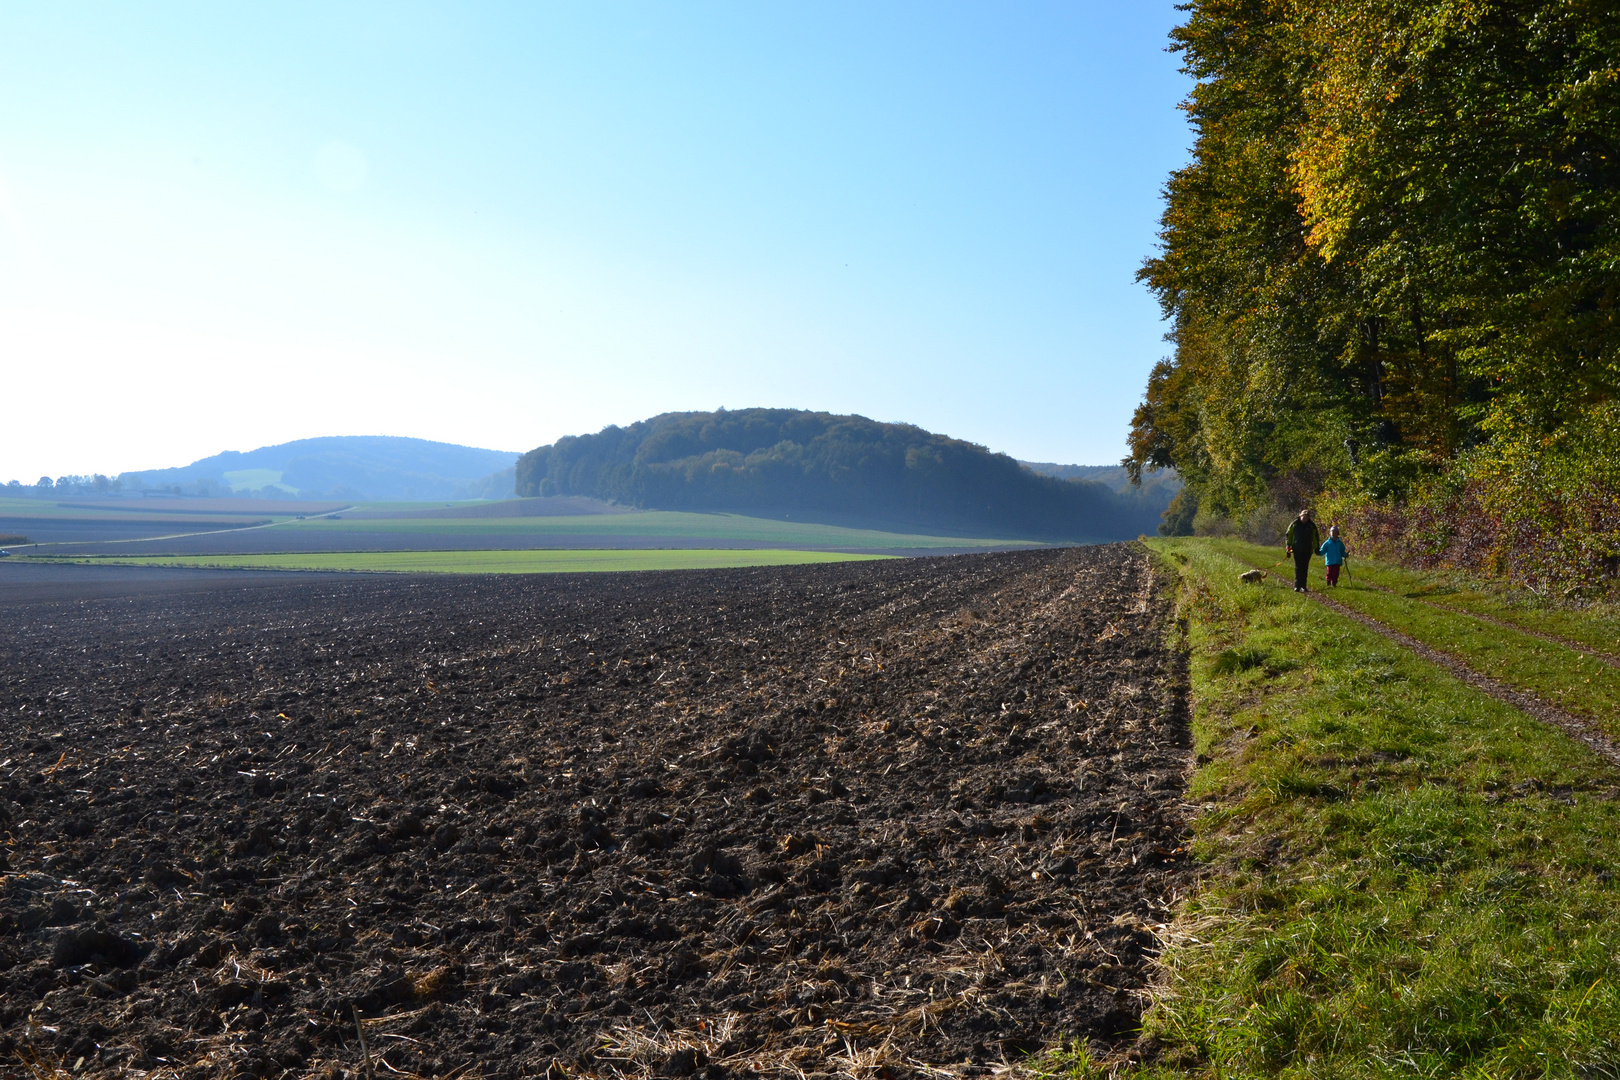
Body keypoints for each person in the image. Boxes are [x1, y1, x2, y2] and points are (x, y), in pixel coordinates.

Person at [1284, 509, 1321, 593]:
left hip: (1307, 550)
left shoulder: (1311, 526)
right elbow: (1289, 535)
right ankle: (1297, 586)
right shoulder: (1294, 524)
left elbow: (1315, 538)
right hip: (1297, 549)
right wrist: (1288, 546)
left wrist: (1316, 548)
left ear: (1308, 518)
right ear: (1300, 516)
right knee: (1298, 567)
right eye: (1303, 517)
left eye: (1307, 517)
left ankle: (1303, 586)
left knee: (1305, 568)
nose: (1305, 519)